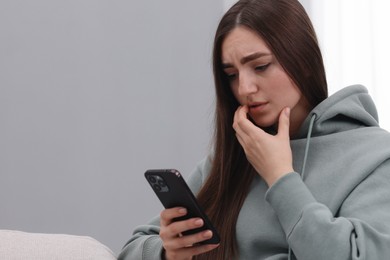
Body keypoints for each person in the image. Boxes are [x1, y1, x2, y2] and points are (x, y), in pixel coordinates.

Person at [118, 0, 390, 259]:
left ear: (304, 62)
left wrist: (280, 175)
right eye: (232, 75)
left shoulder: (375, 157)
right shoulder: (231, 158)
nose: (245, 88)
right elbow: (131, 249)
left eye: (260, 66)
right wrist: (167, 252)